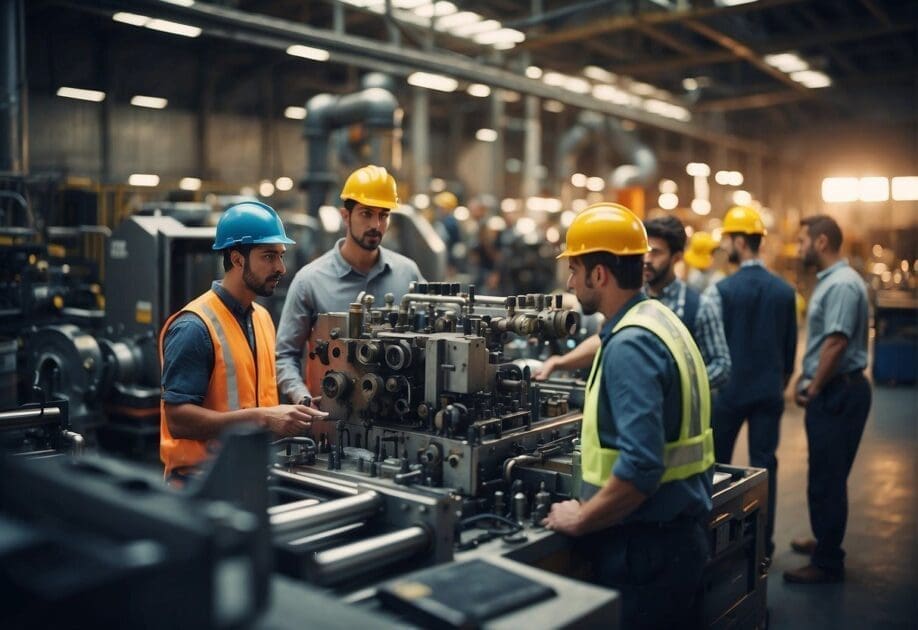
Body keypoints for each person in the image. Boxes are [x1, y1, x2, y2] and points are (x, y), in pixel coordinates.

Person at [543, 202, 713, 630]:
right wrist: (561, 364)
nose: (569, 280)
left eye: (575, 268)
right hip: (675, 535)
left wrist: (581, 517)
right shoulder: (654, 317)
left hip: (647, 551)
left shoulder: (631, 345)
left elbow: (641, 466)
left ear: (598, 274)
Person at [159, 201, 328, 482]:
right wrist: (264, 418)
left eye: (281, 256)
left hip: (251, 477)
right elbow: (177, 420)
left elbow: (256, 398)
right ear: (237, 259)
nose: (281, 268)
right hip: (201, 485)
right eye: (269, 256)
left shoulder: (261, 317)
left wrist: (295, 412)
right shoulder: (194, 327)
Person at [275, 165, 424, 404]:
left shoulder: (408, 273)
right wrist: (303, 399)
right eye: (366, 213)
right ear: (346, 216)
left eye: (383, 215)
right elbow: (285, 355)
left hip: (400, 414)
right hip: (334, 417)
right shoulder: (310, 281)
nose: (376, 224)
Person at [535, 215, 731, 392]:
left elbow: (721, 365)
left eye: (656, 253)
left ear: (676, 258)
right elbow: (603, 340)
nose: (647, 260)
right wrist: (560, 362)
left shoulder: (698, 306)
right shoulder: (631, 299)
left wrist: (674, 386)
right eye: (644, 253)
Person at [703, 205, 797, 558]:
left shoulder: (721, 290)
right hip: (768, 391)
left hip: (728, 393)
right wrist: (776, 382)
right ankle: (763, 547)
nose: (726, 245)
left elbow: (712, 347)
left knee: (716, 468)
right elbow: (789, 353)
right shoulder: (785, 292)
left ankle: (715, 541)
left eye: (729, 239)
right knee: (763, 467)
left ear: (741, 242)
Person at [784, 215, 871, 584]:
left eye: (803, 240)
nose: (799, 247)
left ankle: (827, 561)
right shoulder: (835, 282)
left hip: (838, 391)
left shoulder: (841, 286)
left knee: (828, 478)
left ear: (821, 242)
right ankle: (824, 541)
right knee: (826, 472)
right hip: (839, 389)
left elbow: (836, 342)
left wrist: (814, 386)